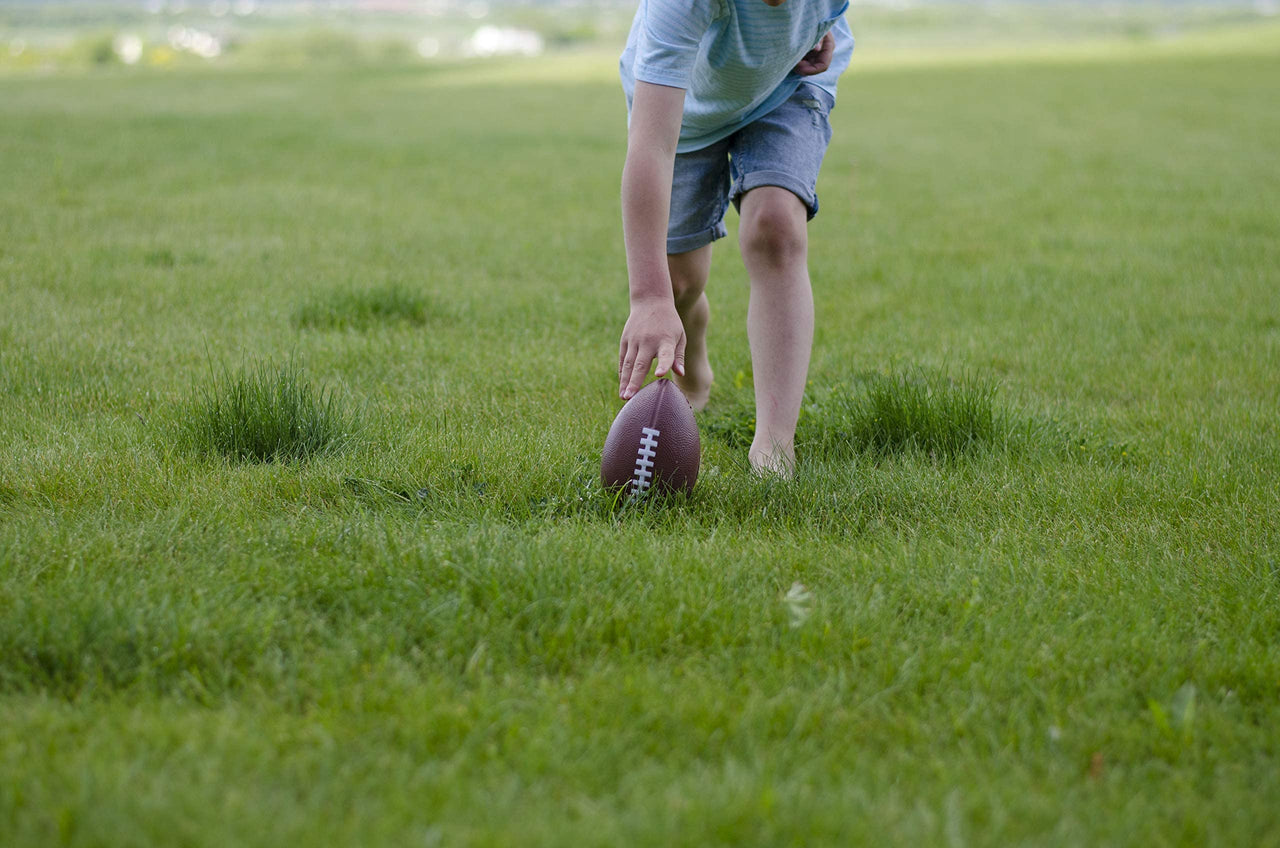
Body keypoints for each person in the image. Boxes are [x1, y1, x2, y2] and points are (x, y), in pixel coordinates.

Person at [616, 0, 854, 477]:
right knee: (679, 283)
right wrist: (648, 297)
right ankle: (692, 341)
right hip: (687, 108)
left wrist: (816, 28)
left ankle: (774, 447)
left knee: (776, 228)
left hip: (785, 83)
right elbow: (652, 145)